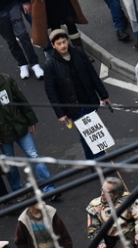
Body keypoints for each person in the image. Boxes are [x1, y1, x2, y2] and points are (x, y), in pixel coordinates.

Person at [0, 59, 55, 195]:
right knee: (10, 165)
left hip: (19, 125)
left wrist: (30, 120)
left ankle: (49, 187)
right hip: (2, 134)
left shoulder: (6, 80)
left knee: (34, 155)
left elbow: (20, 99)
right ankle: (18, 191)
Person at [43, 28, 110, 157]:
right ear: (53, 45)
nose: (63, 46)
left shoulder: (78, 53)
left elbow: (92, 74)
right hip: (74, 106)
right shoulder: (50, 64)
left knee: (92, 131)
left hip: (89, 99)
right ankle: (99, 160)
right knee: (89, 133)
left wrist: (104, 95)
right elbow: (51, 91)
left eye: (64, 42)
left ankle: (96, 160)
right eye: (59, 43)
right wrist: (60, 113)